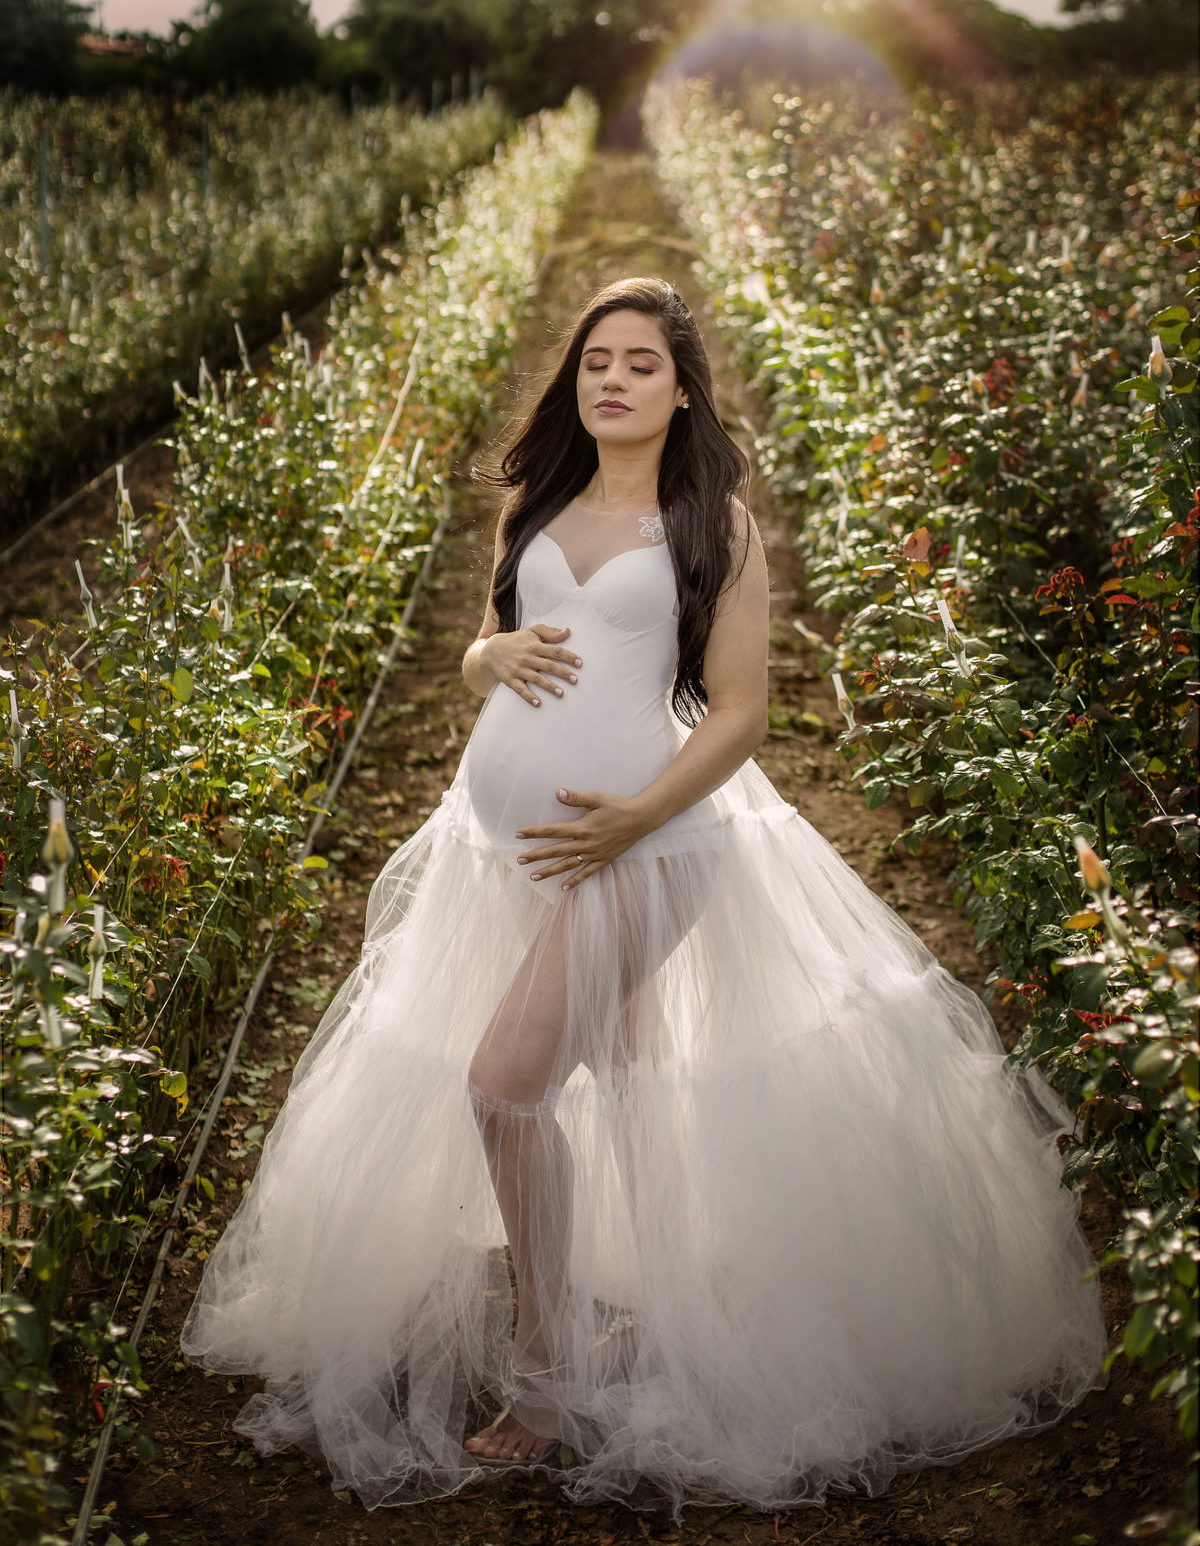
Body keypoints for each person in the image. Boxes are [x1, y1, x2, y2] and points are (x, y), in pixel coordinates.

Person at [182, 278, 1105, 1516]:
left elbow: (739, 713)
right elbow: (486, 644)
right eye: (595, 362)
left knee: (501, 1086)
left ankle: (548, 1362)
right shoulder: (539, 497)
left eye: (640, 365)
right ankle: (654, 1307)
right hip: (503, 849)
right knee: (621, 1080)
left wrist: (631, 818)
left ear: (681, 390)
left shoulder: (710, 522)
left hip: (647, 848)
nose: (611, 380)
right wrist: (483, 654)